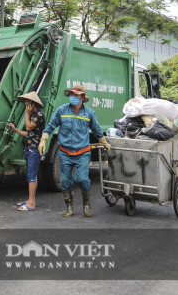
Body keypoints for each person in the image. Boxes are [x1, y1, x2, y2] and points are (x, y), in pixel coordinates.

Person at [38, 84, 111, 218]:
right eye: (72, 95)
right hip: (65, 152)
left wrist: (104, 142)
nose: (74, 97)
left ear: (82, 97)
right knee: (65, 181)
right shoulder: (61, 110)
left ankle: (86, 204)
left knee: (82, 179)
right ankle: (69, 207)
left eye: (77, 95)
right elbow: (51, 125)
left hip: (82, 152)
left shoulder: (89, 113)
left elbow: (96, 129)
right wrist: (44, 138)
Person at [8, 92, 45, 212]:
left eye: (27, 102)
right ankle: (31, 200)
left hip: (34, 149)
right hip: (30, 149)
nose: (25, 104)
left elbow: (28, 127)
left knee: (31, 176)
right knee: (32, 175)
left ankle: (31, 204)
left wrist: (26, 113)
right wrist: (15, 129)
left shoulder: (38, 115)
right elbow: (28, 134)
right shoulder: (34, 115)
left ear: (33, 103)